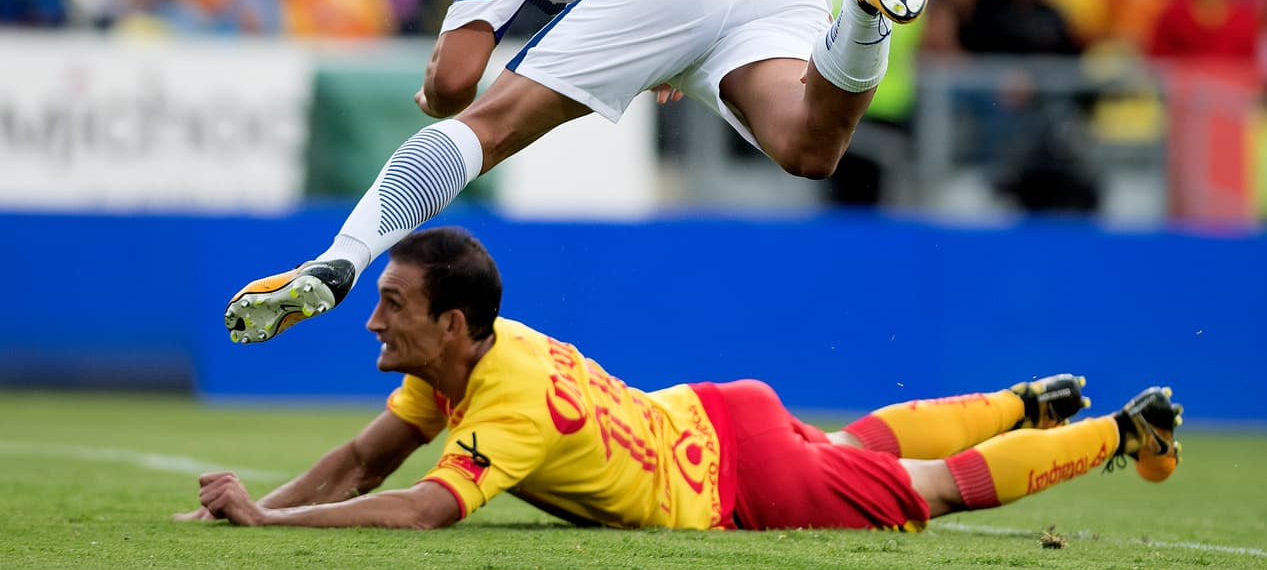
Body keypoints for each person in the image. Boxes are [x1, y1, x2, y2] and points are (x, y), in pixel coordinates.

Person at [222, 0, 929, 343]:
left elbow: (456, 78)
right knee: (810, 143)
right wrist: (667, 41)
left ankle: (340, 257)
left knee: (484, 126)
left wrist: (434, 93)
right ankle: (864, 7)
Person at [184, 227, 1183, 531]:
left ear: (449, 323)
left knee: (919, 490)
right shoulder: (482, 347)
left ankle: (1119, 433)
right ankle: (1023, 400)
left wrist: (269, 526)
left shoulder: (508, 404)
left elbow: (417, 510)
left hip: (738, 484)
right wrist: (248, 512)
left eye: (389, 306)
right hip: (714, 410)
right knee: (861, 447)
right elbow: (364, 458)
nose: (371, 319)